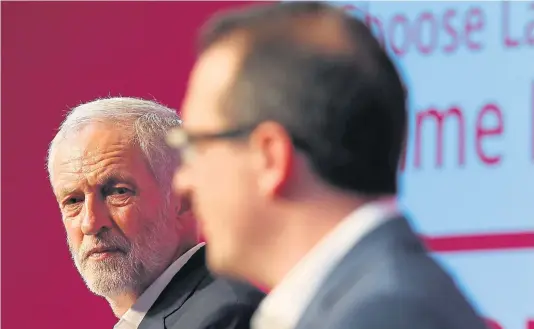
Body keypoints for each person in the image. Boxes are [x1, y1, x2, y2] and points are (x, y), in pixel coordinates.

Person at [168, 2, 490, 329]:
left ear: (269, 157)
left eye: (194, 147)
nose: (182, 182)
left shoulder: (382, 315)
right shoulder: (365, 299)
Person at [47, 97, 264, 329]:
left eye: (118, 192)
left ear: (183, 197)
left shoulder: (223, 317)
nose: (90, 222)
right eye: (74, 201)